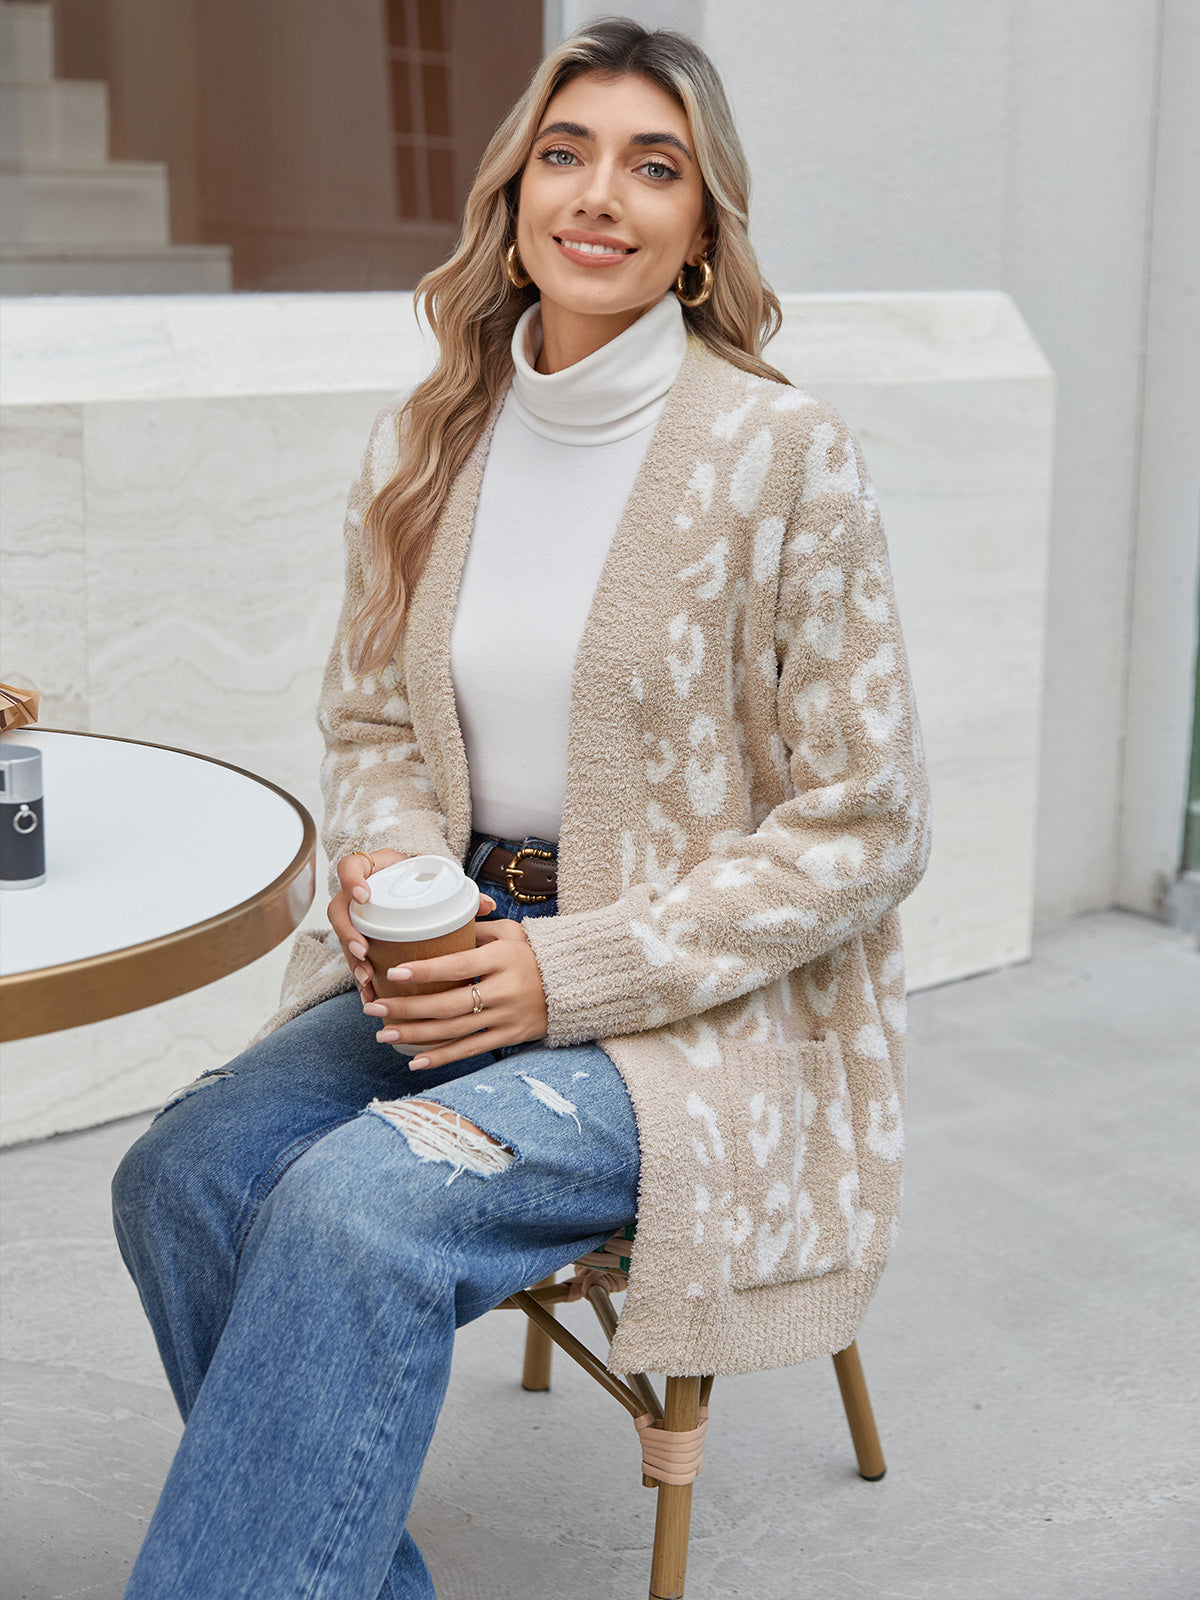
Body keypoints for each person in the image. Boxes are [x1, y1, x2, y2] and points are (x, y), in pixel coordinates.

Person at [111, 16, 931, 1598]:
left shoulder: (783, 457)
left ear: (702, 231)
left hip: (686, 1013)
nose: (600, 195)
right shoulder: (432, 441)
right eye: (567, 153)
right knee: (184, 1174)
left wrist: (568, 970)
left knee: (358, 1208)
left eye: (654, 165)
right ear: (513, 195)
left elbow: (869, 820)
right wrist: (404, 875)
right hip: (456, 947)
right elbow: (368, 721)